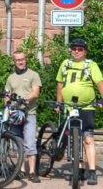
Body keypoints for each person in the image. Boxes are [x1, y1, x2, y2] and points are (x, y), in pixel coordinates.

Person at [56, 38, 103, 185]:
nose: (76, 51)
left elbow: (100, 83)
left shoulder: (91, 65)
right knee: (75, 139)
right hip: (70, 108)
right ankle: (79, 170)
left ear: (85, 51)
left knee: (88, 139)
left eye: (80, 49)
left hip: (86, 107)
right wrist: (59, 102)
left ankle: (92, 171)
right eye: (74, 48)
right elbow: (59, 83)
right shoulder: (65, 64)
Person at [5, 51, 41, 183]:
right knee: (17, 143)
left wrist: (24, 100)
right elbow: (7, 94)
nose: (20, 62)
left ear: (26, 59)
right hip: (15, 114)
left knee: (30, 143)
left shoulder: (33, 75)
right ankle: (20, 170)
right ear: (14, 61)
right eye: (17, 60)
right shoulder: (10, 77)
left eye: (22, 59)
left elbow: (35, 92)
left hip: (29, 113)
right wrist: (7, 105)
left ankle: (32, 172)